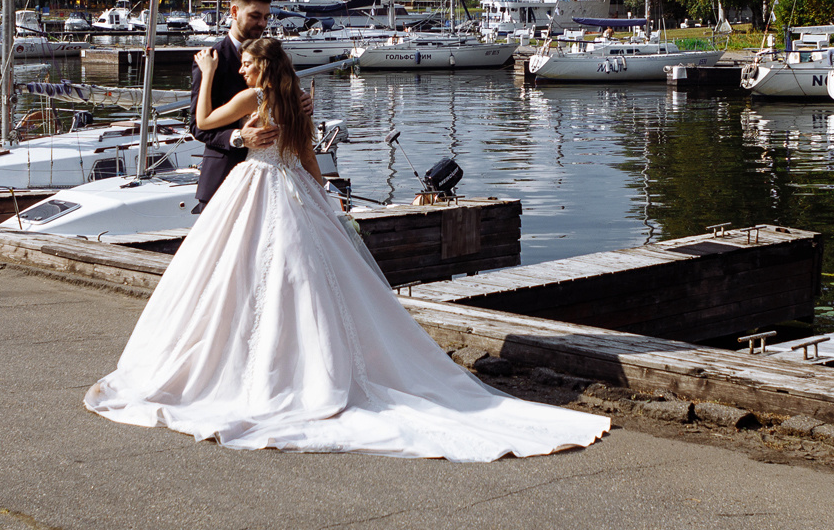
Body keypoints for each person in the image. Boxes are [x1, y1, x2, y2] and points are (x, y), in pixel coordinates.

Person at [85, 33, 610, 460]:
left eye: (246, 63)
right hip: (294, 189)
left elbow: (201, 123)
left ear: (262, 69)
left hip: (257, 187)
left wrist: (203, 74)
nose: (241, 70)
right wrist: (328, 199)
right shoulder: (296, 100)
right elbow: (308, 157)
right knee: (307, 280)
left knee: (242, 278)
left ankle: (265, 369)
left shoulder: (254, 97)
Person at [192, 0, 278, 210]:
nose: (262, 23)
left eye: (266, 17)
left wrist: (299, 102)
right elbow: (197, 126)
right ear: (234, 11)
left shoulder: (273, 57)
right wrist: (239, 137)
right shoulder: (210, 60)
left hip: (270, 182)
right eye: (255, 16)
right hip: (223, 178)